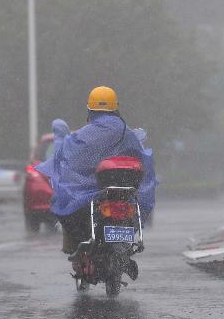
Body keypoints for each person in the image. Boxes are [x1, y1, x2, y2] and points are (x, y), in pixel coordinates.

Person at [36, 86, 157, 261]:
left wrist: (61, 137)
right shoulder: (126, 133)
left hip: (93, 196)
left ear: (90, 109)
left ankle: (77, 248)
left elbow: (68, 156)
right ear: (116, 107)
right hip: (123, 192)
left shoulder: (85, 135)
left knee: (63, 206)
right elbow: (141, 158)